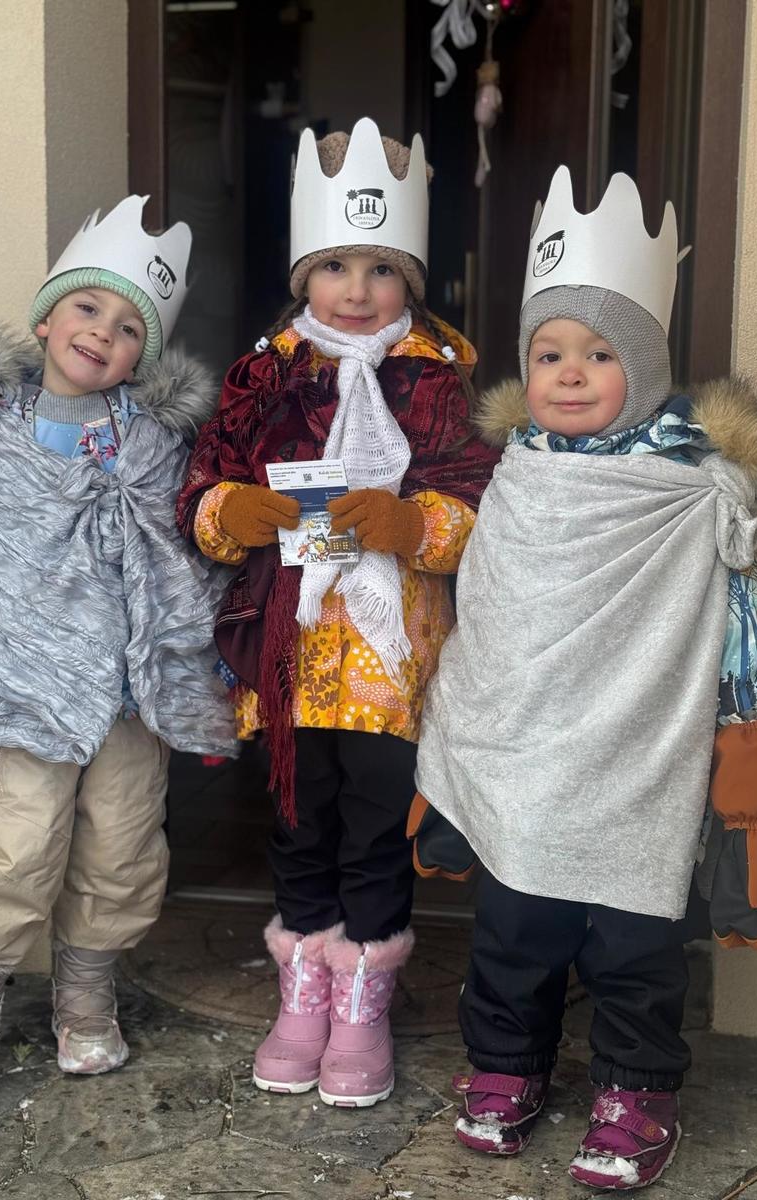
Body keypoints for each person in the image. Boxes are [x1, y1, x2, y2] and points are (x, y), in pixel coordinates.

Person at [414, 166, 757, 1190]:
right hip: (526, 760)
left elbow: (744, 628)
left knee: (634, 946)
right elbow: (489, 624)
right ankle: (506, 1066)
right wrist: (457, 752)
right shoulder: (513, 481)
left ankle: (637, 1090)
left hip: (639, 761)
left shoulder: (696, 493)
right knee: (515, 932)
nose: (571, 374)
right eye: (549, 354)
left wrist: (756, 760)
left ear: (648, 364)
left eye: (600, 353)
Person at [177, 118, 499, 1108]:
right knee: (297, 819)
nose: (357, 290)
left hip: (392, 653)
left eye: (381, 269)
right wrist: (232, 511)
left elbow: (481, 501)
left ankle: (362, 1000)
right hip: (293, 643)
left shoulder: (438, 380)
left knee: (375, 823)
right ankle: (304, 991)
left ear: (411, 282)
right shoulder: (265, 376)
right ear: (304, 277)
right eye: (335, 268)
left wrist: (412, 521)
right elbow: (202, 488)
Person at [0, 196, 236, 1098]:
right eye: (88, 308)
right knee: (12, 850)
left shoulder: (156, 446)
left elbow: (187, 562)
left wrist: (204, 680)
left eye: (129, 328)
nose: (102, 334)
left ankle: (86, 999)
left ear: (142, 357)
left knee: (122, 851)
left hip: (130, 699)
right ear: (46, 318)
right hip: (26, 695)